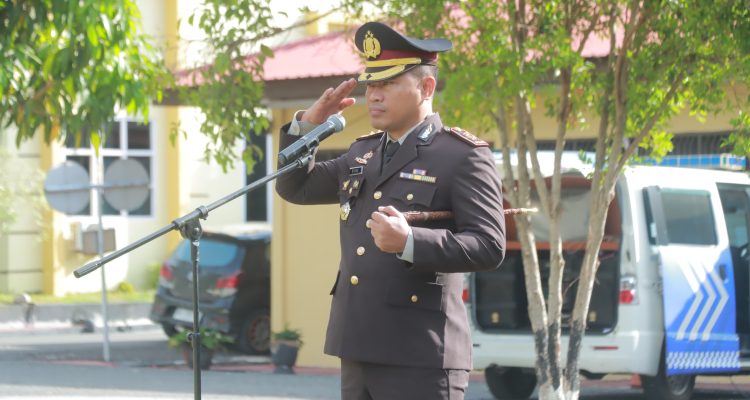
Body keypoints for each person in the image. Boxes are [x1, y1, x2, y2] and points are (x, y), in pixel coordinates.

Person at [275, 21, 506, 400]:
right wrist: (307, 128)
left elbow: (489, 245)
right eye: (371, 86)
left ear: (426, 87)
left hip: (420, 353)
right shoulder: (362, 153)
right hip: (357, 343)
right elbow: (296, 187)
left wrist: (411, 241)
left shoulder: (461, 156)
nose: (374, 96)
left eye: (388, 84)